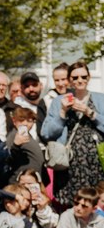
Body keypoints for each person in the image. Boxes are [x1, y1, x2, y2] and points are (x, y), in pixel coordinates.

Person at [41, 61, 104, 210]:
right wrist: (62, 112)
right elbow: (46, 133)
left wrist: (90, 113)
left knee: (96, 206)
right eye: (75, 77)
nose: (79, 80)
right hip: (69, 164)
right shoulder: (59, 101)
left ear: (89, 78)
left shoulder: (100, 99)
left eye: (83, 76)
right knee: (71, 206)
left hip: (96, 163)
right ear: (69, 80)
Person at [6, 107, 46, 184]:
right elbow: (7, 158)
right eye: (21, 120)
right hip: (21, 181)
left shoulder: (28, 136)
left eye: (29, 121)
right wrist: (15, 145)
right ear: (14, 121)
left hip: (33, 179)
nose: (25, 123)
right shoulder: (14, 135)